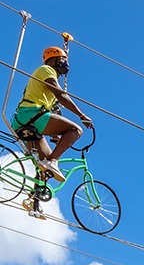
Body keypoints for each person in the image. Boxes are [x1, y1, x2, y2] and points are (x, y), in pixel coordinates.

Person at [11, 45, 93, 182]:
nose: (66, 63)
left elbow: (55, 112)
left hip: (24, 121)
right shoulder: (47, 70)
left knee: (45, 168)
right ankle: (52, 161)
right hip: (31, 114)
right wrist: (81, 115)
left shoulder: (49, 87)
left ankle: (36, 193)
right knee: (75, 130)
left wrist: (56, 136)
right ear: (55, 60)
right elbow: (61, 95)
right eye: (63, 59)